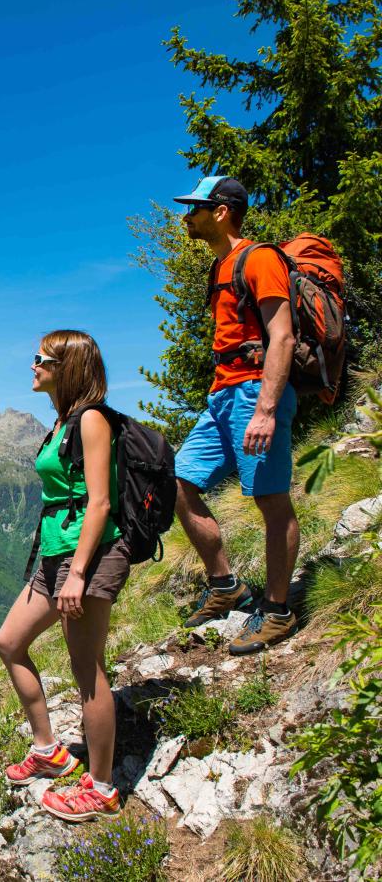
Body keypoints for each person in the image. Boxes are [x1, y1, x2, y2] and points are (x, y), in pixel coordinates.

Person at [0, 329, 127, 822]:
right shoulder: (62, 422)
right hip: (55, 556)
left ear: (65, 366)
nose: (32, 365)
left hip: (84, 559)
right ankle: (49, 751)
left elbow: (100, 503)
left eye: (40, 358)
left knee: (87, 671)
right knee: (9, 642)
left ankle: (103, 787)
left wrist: (78, 576)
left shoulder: (91, 420)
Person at [171, 176, 299, 655]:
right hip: (223, 396)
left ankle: (278, 611)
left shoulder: (260, 259)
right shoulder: (221, 265)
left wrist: (266, 409)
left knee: (270, 500)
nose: (187, 217)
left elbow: (281, 337)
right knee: (179, 481)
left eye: (195, 209)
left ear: (221, 211)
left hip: (253, 394)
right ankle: (226, 585)